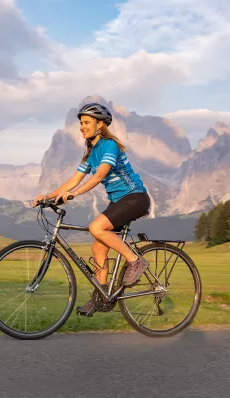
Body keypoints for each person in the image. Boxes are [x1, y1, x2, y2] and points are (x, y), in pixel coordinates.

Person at [33, 102, 151, 316]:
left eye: (86, 122)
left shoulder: (109, 146)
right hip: (119, 201)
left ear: (100, 125)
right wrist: (48, 195)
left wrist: (74, 194)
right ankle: (101, 297)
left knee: (96, 227)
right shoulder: (91, 153)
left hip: (135, 198)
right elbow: (74, 179)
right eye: (81, 123)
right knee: (98, 249)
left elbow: (99, 176)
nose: (82, 127)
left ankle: (135, 260)